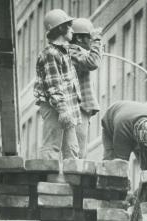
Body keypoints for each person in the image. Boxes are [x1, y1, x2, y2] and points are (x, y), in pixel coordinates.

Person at [33, 9, 81, 160]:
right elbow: (53, 86)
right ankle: (47, 180)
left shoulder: (63, 53)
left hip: (65, 108)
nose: (72, 31)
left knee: (72, 149)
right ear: (61, 28)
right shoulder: (51, 54)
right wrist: (62, 110)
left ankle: (71, 182)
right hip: (55, 107)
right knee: (51, 148)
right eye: (69, 26)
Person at [70, 18, 103, 158]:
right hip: (77, 108)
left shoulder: (79, 52)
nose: (91, 41)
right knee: (77, 152)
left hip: (82, 108)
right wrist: (97, 42)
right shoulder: (71, 52)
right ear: (78, 38)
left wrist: (97, 45)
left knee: (80, 152)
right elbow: (93, 63)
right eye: (89, 38)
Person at [101, 100, 147, 170]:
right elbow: (121, 162)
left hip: (130, 117)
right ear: (135, 135)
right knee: (112, 164)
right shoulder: (123, 127)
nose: (145, 149)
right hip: (111, 124)